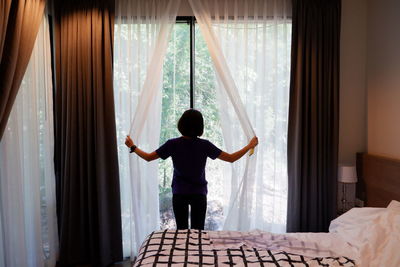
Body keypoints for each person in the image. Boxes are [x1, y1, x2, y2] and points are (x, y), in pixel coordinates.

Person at [125, 109, 258, 230]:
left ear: (182, 124)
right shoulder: (204, 145)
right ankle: (197, 255)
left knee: (181, 231)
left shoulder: (173, 144)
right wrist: (249, 146)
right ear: (200, 127)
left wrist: (133, 147)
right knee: (198, 232)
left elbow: (148, 157)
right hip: (198, 193)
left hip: (179, 193)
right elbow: (230, 158)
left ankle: (183, 256)